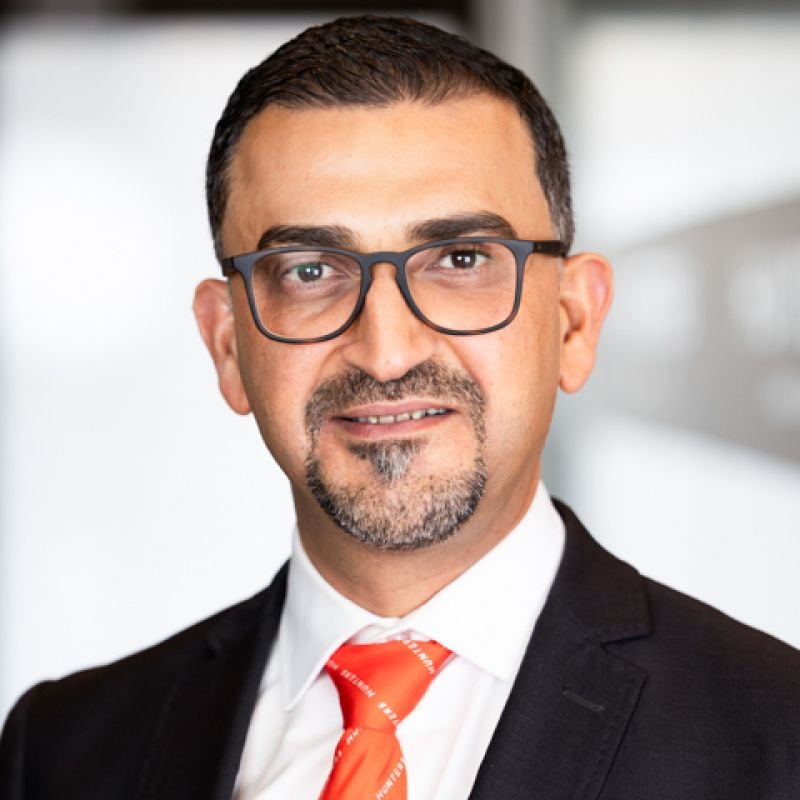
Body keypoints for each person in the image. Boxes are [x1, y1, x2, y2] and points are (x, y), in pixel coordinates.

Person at [1, 14, 798, 800]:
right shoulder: (61, 754)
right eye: (310, 271)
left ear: (573, 323)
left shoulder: (776, 737)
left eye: (461, 259)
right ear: (227, 345)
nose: (387, 352)